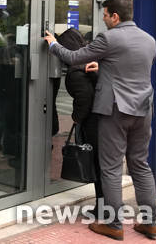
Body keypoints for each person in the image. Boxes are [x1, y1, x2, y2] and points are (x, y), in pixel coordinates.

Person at [44, 0, 156, 241]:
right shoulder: (149, 40)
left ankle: (114, 225)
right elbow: (130, 68)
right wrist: (103, 67)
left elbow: (73, 57)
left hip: (116, 111)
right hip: (143, 110)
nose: (103, 19)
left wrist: (53, 44)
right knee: (140, 165)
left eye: (105, 15)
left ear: (115, 16)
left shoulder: (109, 38)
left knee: (111, 168)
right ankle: (150, 223)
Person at [56, 28, 102, 210]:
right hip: (104, 120)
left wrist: (76, 117)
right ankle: (106, 206)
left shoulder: (76, 71)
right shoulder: (90, 62)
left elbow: (85, 97)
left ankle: (103, 208)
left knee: (98, 164)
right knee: (103, 165)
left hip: (93, 123)